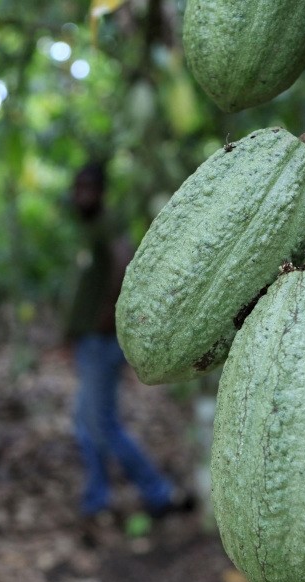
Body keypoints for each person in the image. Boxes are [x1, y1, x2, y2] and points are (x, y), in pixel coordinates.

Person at [64, 162, 192, 521]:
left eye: (88, 189)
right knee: (85, 423)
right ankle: (96, 498)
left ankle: (158, 492)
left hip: (101, 342)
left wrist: (110, 314)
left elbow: (123, 262)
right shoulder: (87, 229)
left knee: (101, 424)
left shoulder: (107, 224)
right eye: (78, 188)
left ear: (101, 192)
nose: (81, 196)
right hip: (89, 341)